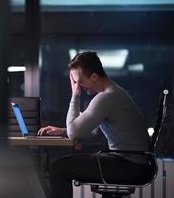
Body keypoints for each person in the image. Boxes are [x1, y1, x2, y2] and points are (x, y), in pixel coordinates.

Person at [38, 51, 154, 198]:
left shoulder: (106, 97)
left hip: (129, 165)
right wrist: (62, 131)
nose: (79, 87)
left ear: (94, 77)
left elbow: (74, 133)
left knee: (58, 168)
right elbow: (94, 134)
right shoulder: (114, 93)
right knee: (62, 165)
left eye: (79, 82)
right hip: (135, 164)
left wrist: (75, 95)